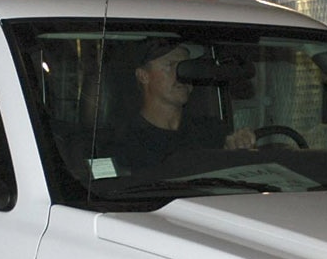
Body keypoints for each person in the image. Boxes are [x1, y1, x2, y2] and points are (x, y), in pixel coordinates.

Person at [105, 37, 254, 172]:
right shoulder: (122, 141)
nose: (182, 74)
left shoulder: (213, 132)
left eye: (185, 66)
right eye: (170, 65)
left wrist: (236, 149)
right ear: (143, 76)